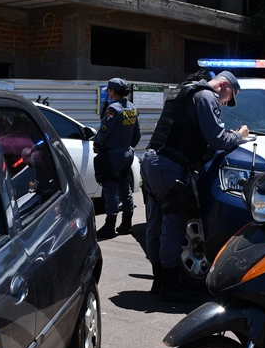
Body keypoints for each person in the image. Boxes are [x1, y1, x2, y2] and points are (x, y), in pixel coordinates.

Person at [141, 70, 249, 302]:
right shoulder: (207, 96)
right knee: (173, 226)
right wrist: (239, 136)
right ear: (223, 85)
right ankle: (170, 288)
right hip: (169, 166)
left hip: (152, 160)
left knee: (155, 223)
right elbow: (218, 140)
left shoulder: (185, 90)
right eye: (229, 97)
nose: (226, 102)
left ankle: (158, 281)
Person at [94, 78, 141, 238]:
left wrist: (97, 141)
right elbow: (137, 134)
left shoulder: (113, 110)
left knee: (111, 190)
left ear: (112, 91)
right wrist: (127, 146)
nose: (108, 93)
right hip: (127, 154)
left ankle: (110, 225)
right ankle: (126, 223)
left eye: (108, 91)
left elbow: (103, 133)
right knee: (125, 187)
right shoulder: (132, 108)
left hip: (112, 155)